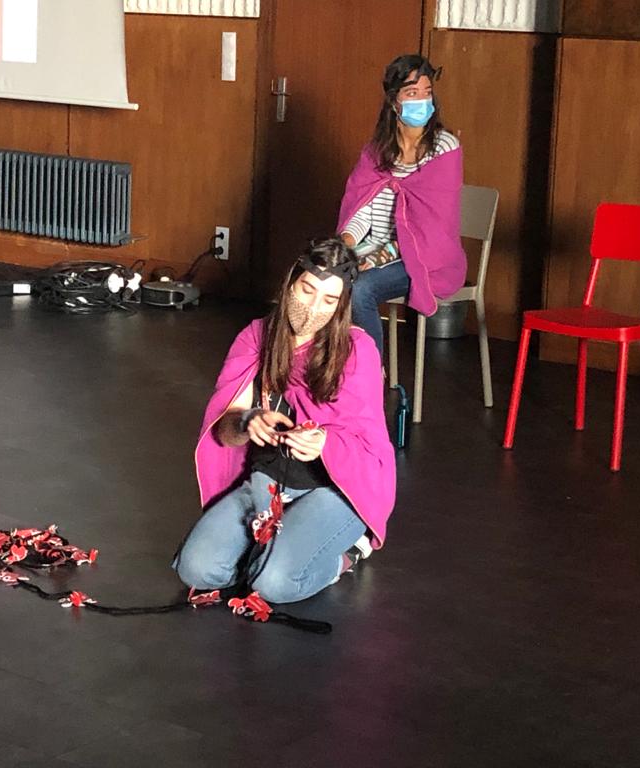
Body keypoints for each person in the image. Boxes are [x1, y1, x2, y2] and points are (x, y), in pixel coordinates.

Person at [174, 238, 395, 605]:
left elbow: (369, 443)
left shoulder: (358, 351)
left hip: (334, 489)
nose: (313, 308)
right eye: (307, 290)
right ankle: (272, 548)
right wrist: (247, 421)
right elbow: (225, 430)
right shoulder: (256, 337)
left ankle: (347, 553)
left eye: (329, 300)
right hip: (268, 482)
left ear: (341, 305)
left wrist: (325, 443)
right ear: (291, 282)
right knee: (196, 570)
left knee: (273, 584)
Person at [338, 53, 467, 356]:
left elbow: (435, 228)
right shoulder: (376, 151)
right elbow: (363, 210)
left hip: (426, 256)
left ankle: (372, 373)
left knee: (361, 288)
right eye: (412, 93)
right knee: (322, 276)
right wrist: (346, 244)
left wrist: (381, 256)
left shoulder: (444, 149)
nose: (421, 100)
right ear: (393, 101)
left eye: (427, 92)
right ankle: (332, 370)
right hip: (376, 249)